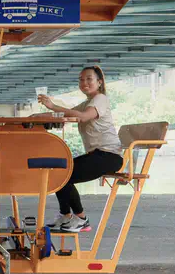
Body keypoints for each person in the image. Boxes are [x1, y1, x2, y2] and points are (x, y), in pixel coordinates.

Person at [38, 66, 124, 233]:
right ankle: (66, 216)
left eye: (89, 79)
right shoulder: (88, 103)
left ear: (99, 82)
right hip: (98, 155)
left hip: (109, 156)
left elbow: (82, 117)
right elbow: (72, 115)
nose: (84, 82)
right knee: (58, 172)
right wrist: (44, 114)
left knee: (62, 174)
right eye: (81, 79)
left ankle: (81, 218)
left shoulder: (100, 99)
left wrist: (53, 107)